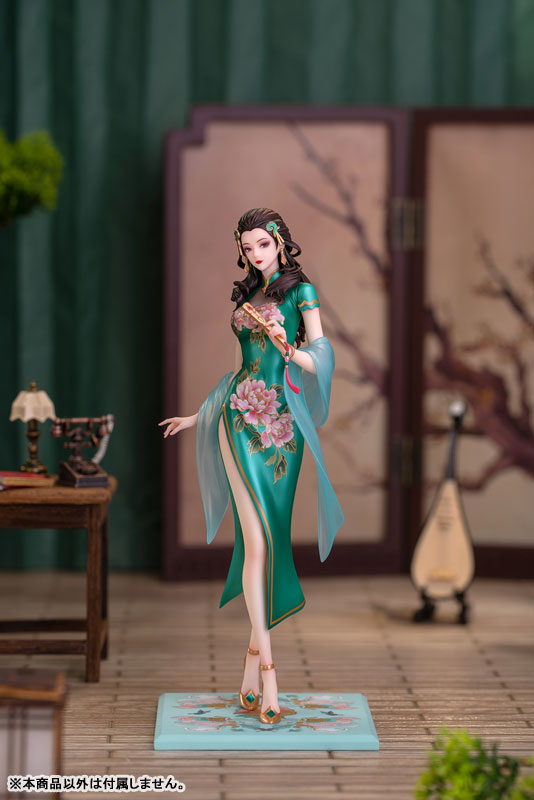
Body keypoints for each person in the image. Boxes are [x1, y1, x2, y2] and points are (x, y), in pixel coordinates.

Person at [159, 207, 343, 724]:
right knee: (256, 542)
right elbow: (242, 370)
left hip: (282, 426)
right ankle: (269, 674)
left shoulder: (300, 292)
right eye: (247, 247)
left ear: (280, 241)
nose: (256, 254)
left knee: (271, 536)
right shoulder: (248, 296)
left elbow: (322, 355)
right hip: (238, 417)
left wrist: (292, 350)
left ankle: (249, 665)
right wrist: (198, 416)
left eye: (263, 244)